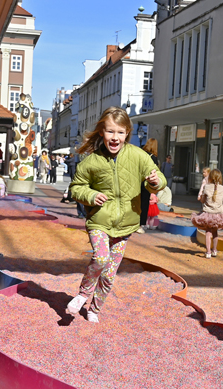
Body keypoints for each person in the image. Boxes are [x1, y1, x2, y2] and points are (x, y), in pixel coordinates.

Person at [66, 106, 166, 323]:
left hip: (125, 225)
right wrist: (91, 196)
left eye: (120, 133)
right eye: (110, 131)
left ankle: (95, 309)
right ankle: (83, 294)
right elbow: (76, 188)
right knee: (101, 257)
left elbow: (157, 176)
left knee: (109, 275)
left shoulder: (138, 156)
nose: (115, 137)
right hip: (99, 221)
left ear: (127, 133)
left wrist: (155, 182)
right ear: (102, 131)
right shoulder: (92, 161)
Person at [191, 168, 223, 258]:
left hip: (208, 213)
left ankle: (208, 252)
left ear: (210, 177)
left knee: (208, 232)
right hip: (218, 213)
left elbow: (202, 200)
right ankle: (214, 250)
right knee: (215, 232)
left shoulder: (207, 187)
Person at [140, 138, 160, 233]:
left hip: (137, 180)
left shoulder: (141, 153)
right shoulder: (153, 157)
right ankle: (142, 223)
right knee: (144, 203)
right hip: (146, 182)